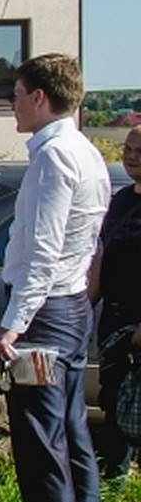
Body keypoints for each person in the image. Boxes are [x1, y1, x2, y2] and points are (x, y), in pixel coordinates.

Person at [0, 54, 108, 502]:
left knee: (41, 450)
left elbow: (42, 252)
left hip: (46, 314)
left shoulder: (54, 157)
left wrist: (13, 324)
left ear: (40, 98)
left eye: (16, 94)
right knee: (72, 433)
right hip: (71, 305)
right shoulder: (86, 150)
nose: (11, 105)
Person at [89, 125, 141, 481]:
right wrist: (84, 306)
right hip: (114, 325)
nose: (132, 156)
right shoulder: (121, 201)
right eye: (128, 148)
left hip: (139, 329)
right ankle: (115, 493)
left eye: (140, 150)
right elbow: (101, 259)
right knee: (114, 411)